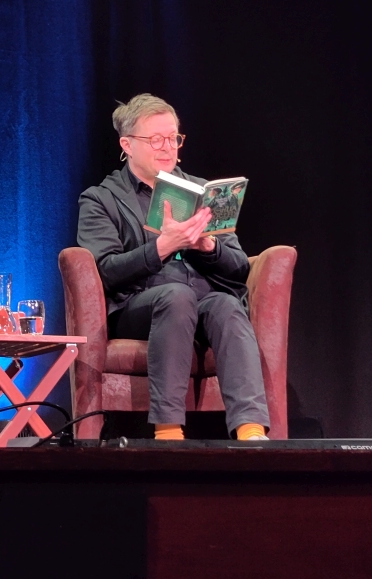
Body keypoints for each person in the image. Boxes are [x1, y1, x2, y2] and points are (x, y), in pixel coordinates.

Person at [76, 94, 269, 440]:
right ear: (127, 145)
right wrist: (163, 246)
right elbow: (105, 271)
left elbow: (239, 268)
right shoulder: (101, 199)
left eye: (173, 138)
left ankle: (251, 432)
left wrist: (207, 247)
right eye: (156, 139)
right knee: (176, 296)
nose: (168, 148)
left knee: (227, 305)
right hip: (141, 305)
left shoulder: (203, 193)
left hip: (203, 299)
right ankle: (168, 431)